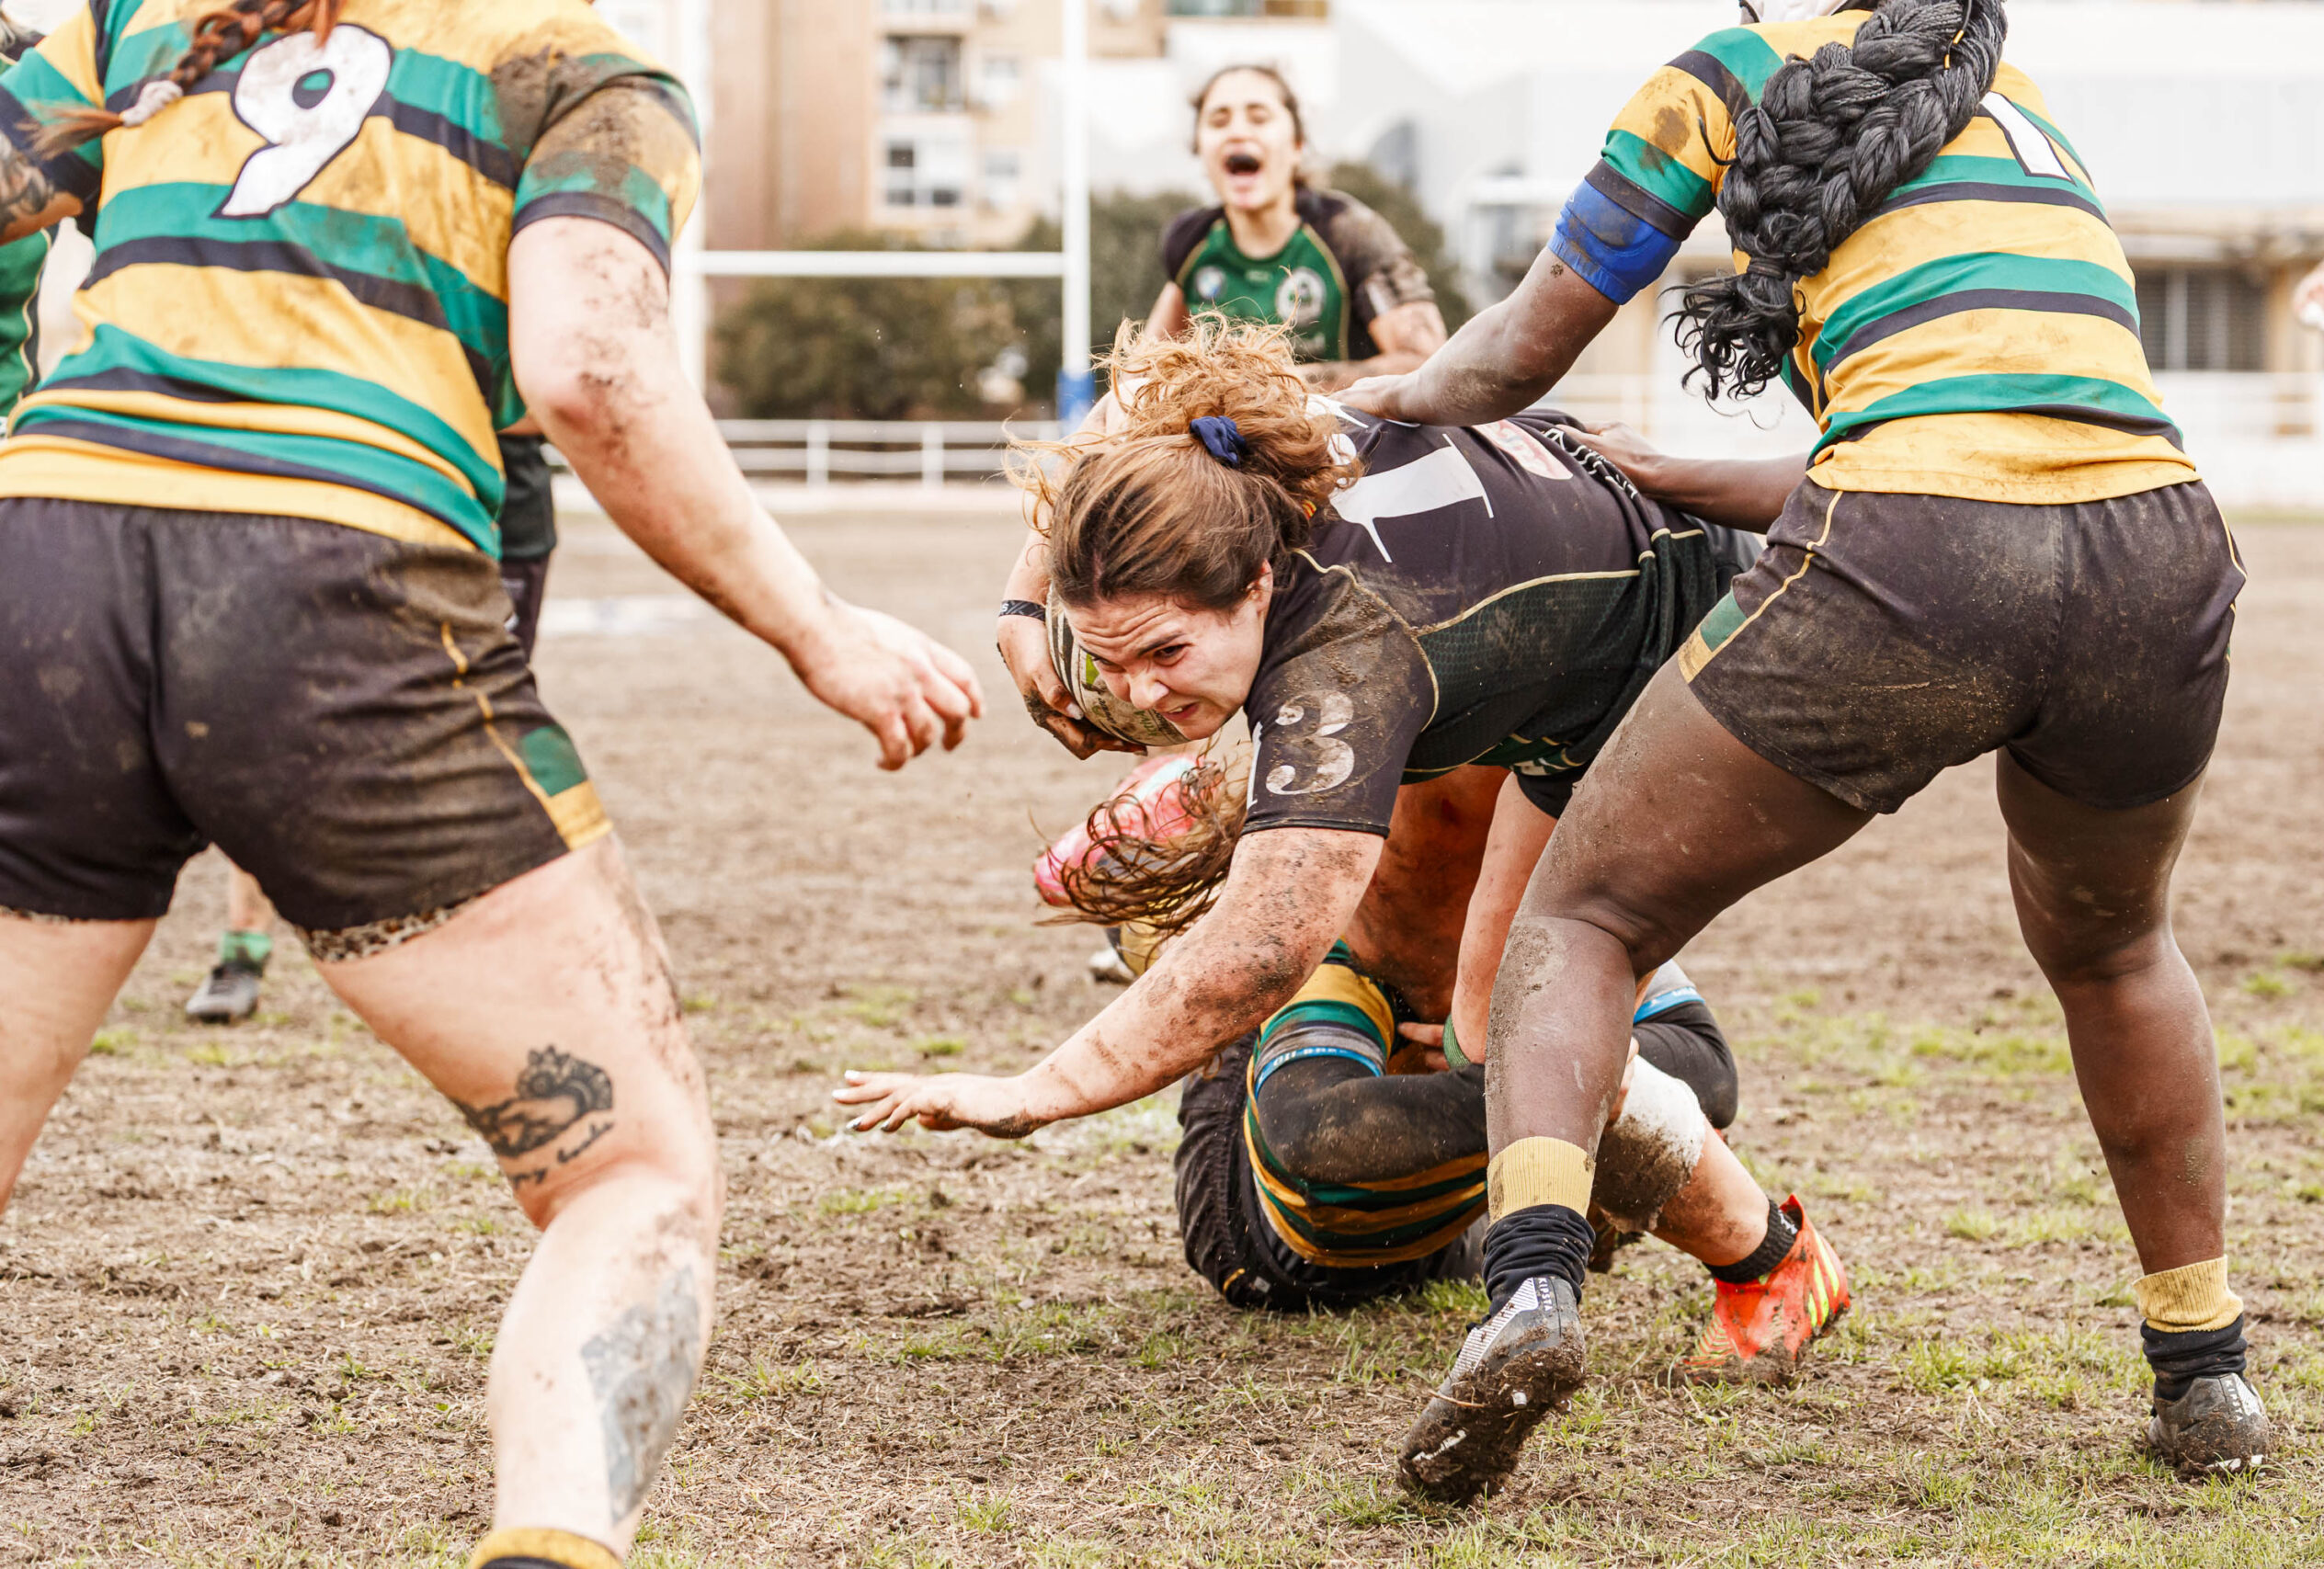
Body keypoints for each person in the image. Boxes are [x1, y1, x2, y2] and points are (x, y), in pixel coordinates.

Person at [0, 5, 979, 1566]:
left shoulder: (140, 16)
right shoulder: (575, 68)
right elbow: (588, 371)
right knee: (634, 1172)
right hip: (336, 580)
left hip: (43, 562)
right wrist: (818, 626)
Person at [1342, 0, 2263, 1499]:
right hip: (2159, 552)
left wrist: (1375, 400)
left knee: (1582, 916)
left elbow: (1514, 350)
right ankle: (2206, 1365)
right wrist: (1675, 469)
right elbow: (1978, 424)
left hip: (1917, 557)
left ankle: (1531, 1289)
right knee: (2117, 950)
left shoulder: (1732, 73)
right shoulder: (2006, 92)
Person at [840, 317, 1851, 1381]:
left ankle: (1771, 1263)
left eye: (1166, 651)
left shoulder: (1347, 664)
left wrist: (1031, 1091)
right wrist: (1024, 593)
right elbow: (1133, 402)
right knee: (1500, 1031)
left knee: (1519, 1029)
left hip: (1701, 643)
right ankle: (1601, 1174)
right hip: (1601, 589)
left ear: (1257, 587)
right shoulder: (1226, 471)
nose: (1139, 692)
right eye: (1111, 661)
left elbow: (1258, 954)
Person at [186, 431, 563, 1023]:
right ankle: (243, 950)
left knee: (471, 740)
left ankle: (462, 952)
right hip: (350, 503)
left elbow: (556, 409)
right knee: (274, 721)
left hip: (493, 530)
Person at [1142, 64, 1445, 392]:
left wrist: (1282, 383)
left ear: (1297, 145)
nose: (1237, 132)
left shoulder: (1349, 232)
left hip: (1343, 424)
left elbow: (1428, 365)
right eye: (1218, 121)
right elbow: (1140, 376)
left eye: (1259, 118)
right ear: (1200, 148)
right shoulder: (1191, 242)